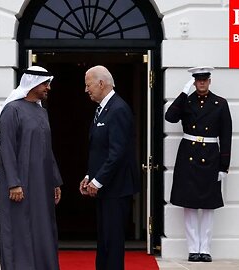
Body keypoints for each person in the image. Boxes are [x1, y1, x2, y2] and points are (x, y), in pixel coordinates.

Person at [0, 66, 62, 270]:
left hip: (41, 183)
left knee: (42, 226)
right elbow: (6, 149)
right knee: (20, 228)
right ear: (32, 83)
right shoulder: (12, 110)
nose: (48, 88)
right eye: (45, 84)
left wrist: (55, 181)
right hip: (20, 184)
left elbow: (47, 149)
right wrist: (14, 183)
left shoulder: (41, 111)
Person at [165, 66, 232, 262]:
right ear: (194, 82)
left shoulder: (220, 103)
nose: (201, 83)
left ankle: (206, 249)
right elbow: (170, 117)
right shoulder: (186, 101)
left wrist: (224, 165)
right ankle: (193, 248)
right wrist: (183, 93)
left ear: (209, 81)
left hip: (210, 156)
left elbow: (226, 136)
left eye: (205, 79)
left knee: (208, 206)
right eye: (198, 80)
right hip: (189, 156)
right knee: (190, 205)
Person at [79, 65, 140, 270]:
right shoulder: (103, 109)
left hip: (116, 187)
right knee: (104, 239)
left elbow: (117, 153)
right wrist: (90, 176)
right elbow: (99, 150)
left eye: (88, 85)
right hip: (106, 187)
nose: (86, 90)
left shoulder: (118, 109)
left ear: (101, 83)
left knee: (113, 241)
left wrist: (98, 180)